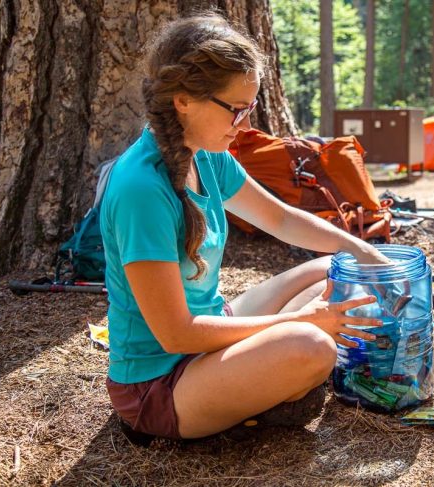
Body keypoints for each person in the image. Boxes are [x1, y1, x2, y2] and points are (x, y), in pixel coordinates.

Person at [100, 13, 389, 442]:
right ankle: (277, 387)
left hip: (211, 332)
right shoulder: (142, 189)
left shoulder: (206, 153)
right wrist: (305, 321)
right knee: (313, 345)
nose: (247, 125)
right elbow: (177, 333)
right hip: (159, 383)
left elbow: (280, 218)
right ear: (183, 99)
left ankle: (273, 383)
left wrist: (366, 253)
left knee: (337, 267)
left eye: (249, 108)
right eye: (236, 110)